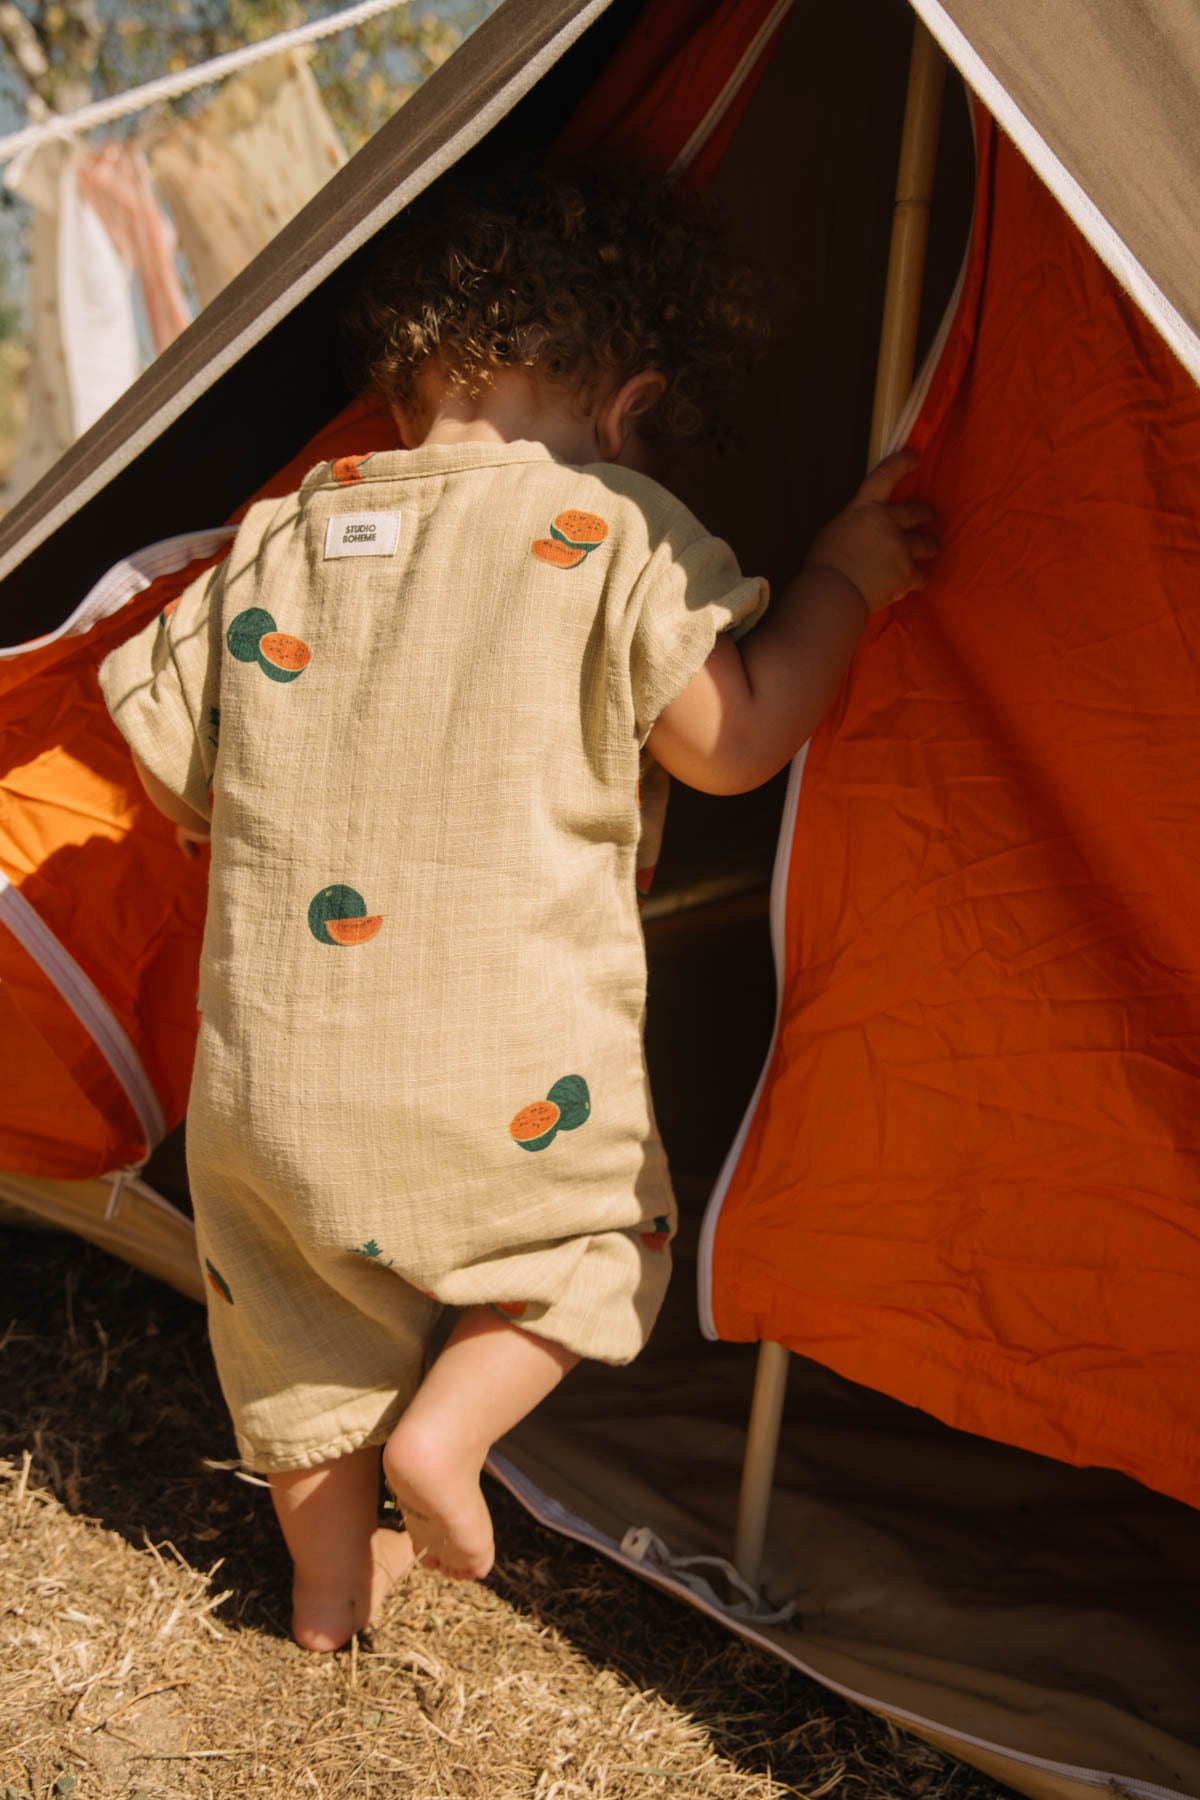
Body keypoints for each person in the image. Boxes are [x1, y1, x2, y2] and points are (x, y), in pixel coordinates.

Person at [99, 167, 936, 1654]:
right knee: (597, 1243)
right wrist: (844, 580)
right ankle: (446, 1440)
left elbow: (174, 764)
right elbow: (739, 738)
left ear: (407, 381)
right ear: (630, 405)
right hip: (500, 1079)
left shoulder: (287, 534)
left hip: (267, 1091)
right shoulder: (609, 530)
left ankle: (327, 1599)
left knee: (297, 1335)